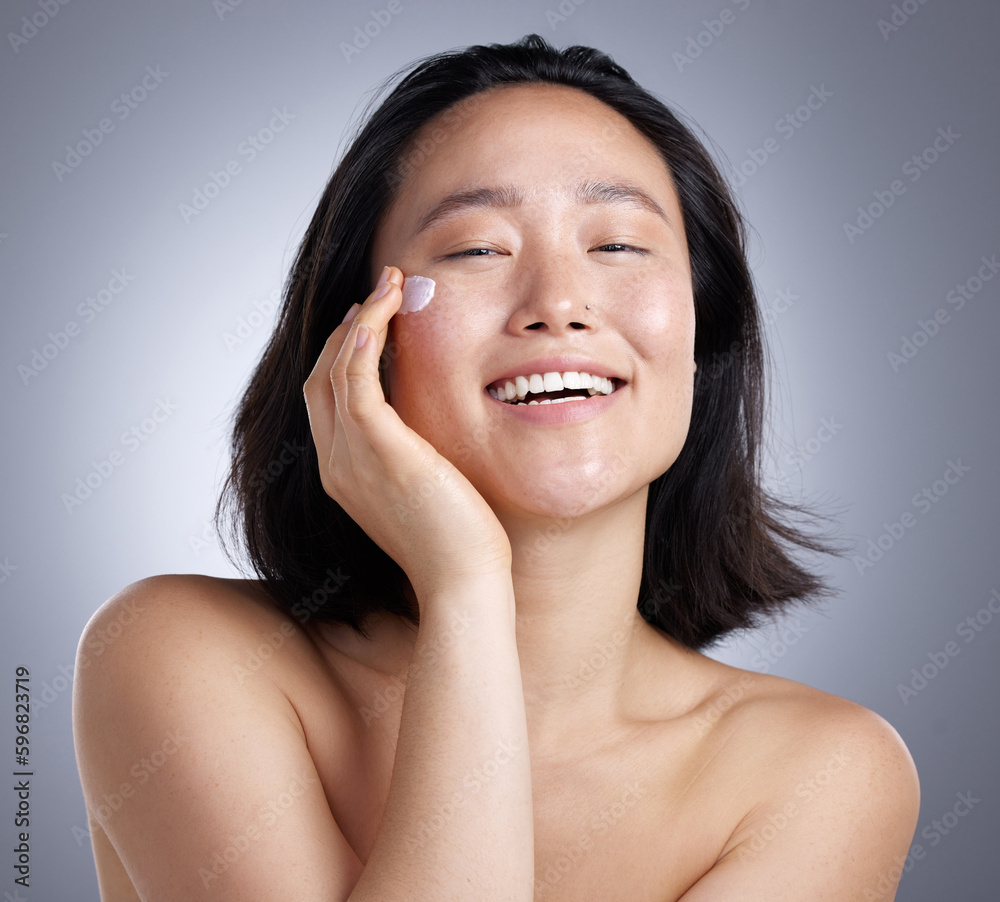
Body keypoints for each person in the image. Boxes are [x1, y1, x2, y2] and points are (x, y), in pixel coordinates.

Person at [72, 34, 920, 901]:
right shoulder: (186, 655)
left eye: (621, 245)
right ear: (359, 338)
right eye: (477, 248)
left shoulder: (822, 772)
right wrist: (467, 590)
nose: (558, 304)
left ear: (705, 332)